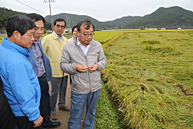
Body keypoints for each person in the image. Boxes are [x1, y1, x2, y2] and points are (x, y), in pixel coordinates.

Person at [60, 19, 107, 129]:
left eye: (91, 34)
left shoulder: (97, 45)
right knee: (76, 115)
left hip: (95, 88)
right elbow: (63, 65)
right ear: (77, 33)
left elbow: (103, 61)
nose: (89, 37)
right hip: (79, 89)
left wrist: (97, 66)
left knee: (91, 113)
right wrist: (75, 67)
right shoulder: (68, 47)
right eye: (85, 34)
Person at [0, 14, 43, 129]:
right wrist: (35, 116)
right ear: (16, 34)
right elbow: (23, 92)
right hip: (24, 114)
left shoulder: (4, 49)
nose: (33, 39)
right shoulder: (16, 61)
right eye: (30, 35)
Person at [26, 13, 61, 128]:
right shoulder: (25, 45)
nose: (39, 32)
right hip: (32, 82)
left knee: (45, 103)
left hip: (43, 79)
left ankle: (47, 122)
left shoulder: (38, 42)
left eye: (42, 28)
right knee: (35, 106)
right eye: (36, 29)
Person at [42, 18, 70, 120]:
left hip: (64, 71)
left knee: (63, 89)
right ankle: (52, 110)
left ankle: (62, 104)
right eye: (58, 25)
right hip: (54, 71)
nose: (60, 28)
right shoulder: (47, 39)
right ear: (54, 26)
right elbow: (41, 56)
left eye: (62, 26)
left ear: (64, 28)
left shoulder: (65, 40)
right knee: (54, 92)